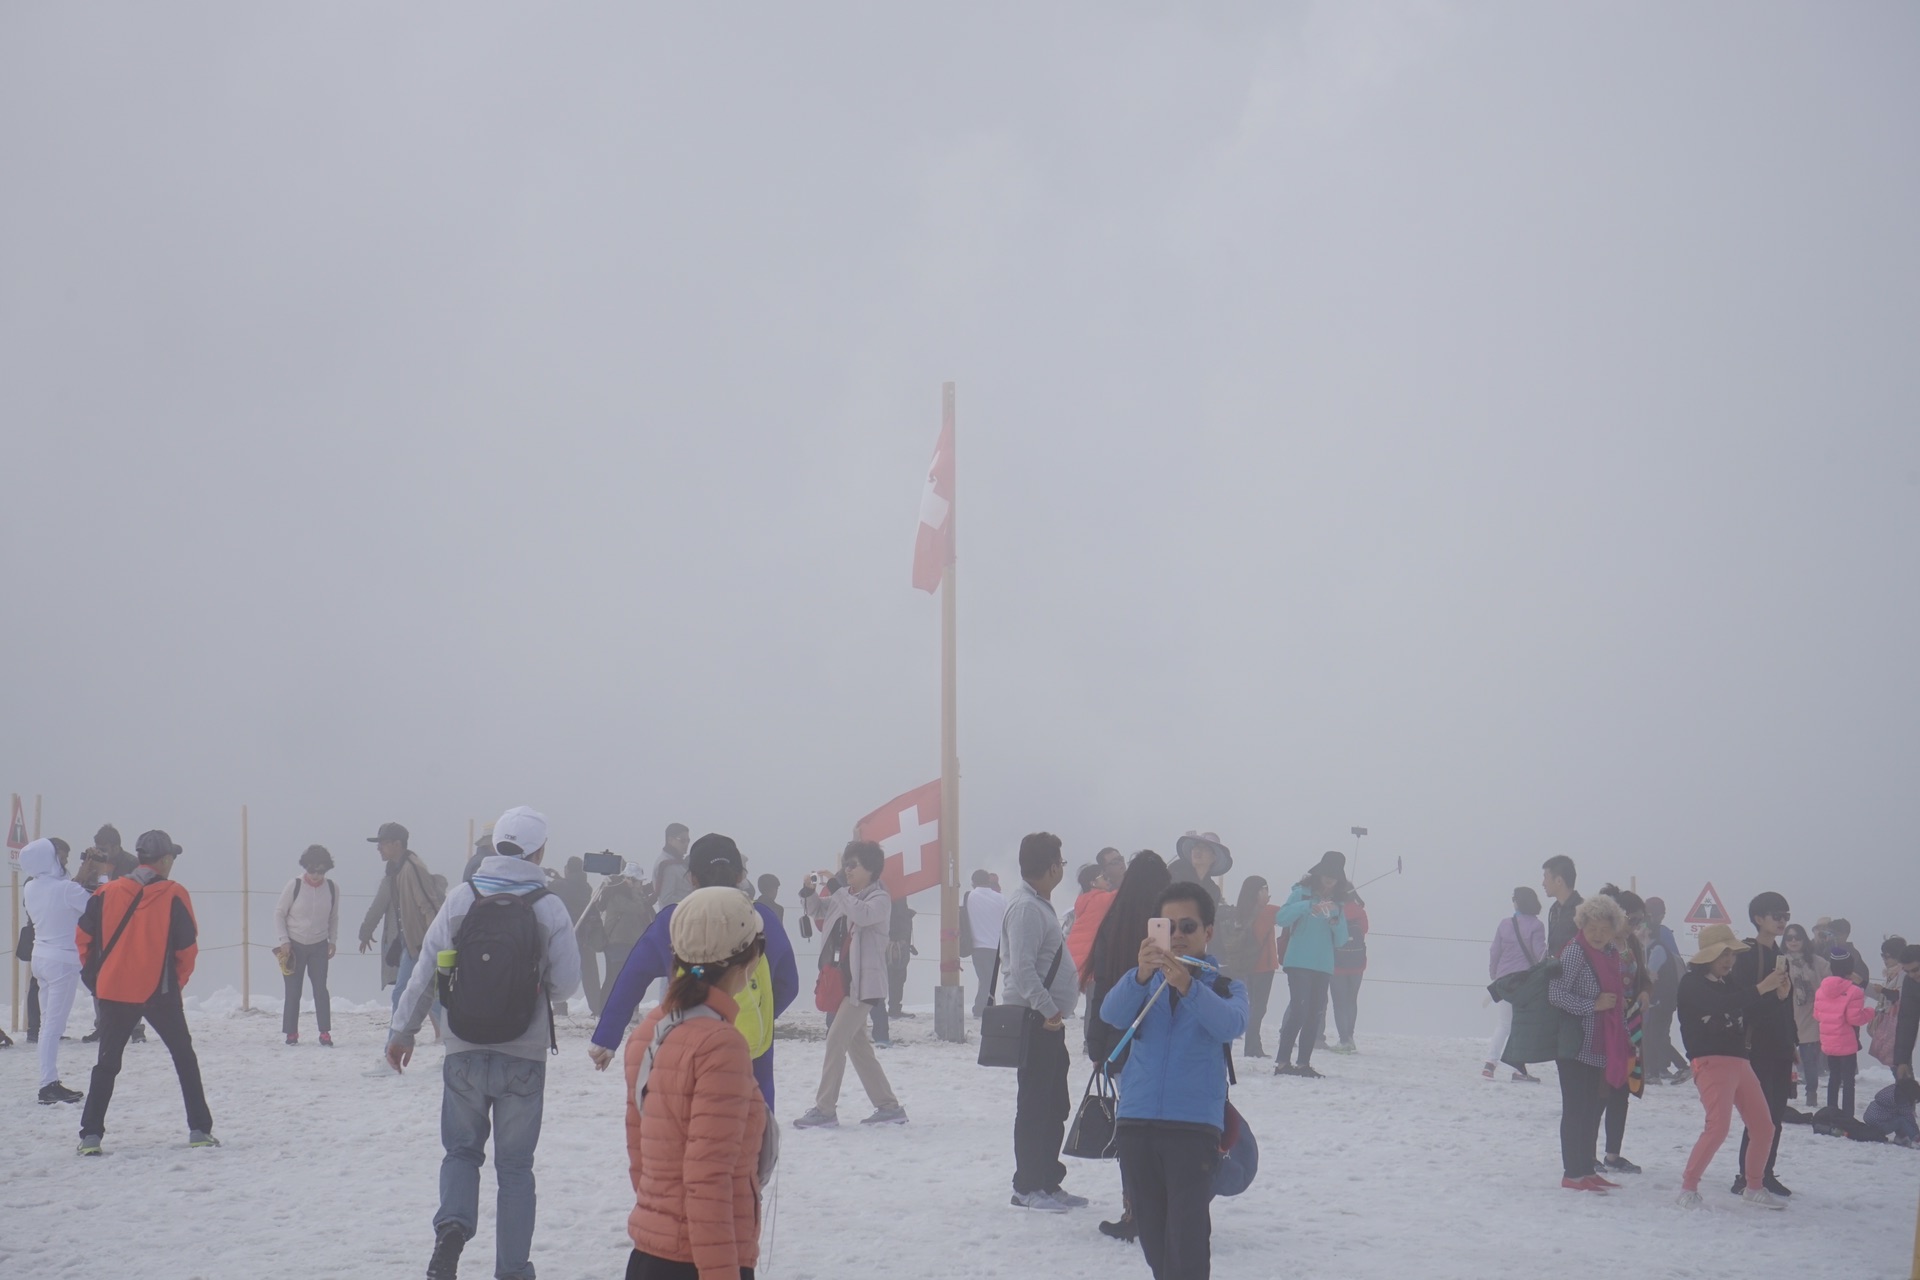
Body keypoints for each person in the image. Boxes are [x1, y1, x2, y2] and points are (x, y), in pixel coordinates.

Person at [387, 806, 582, 1280]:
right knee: (515, 1168)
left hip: (464, 1046)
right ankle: (513, 1270)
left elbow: (427, 968)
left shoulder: (461, 898)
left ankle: (452, 1229)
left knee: (460, 1152)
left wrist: (402, 1031)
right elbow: (567, 985)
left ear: (495, 846)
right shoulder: (549, 906)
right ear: (540, 851)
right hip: (524, 1054)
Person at [1099, 881, 1248, 1280]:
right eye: (1167, 926)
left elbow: (1230, 1025)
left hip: (1192, 1128)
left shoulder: (1224, 987)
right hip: (1137, 1122)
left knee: (1188, 1237)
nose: (1178, 935)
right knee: (1153, 1236)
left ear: (1208, 932)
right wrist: (1142, 973)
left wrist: (1187, 986)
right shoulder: (1142, 980)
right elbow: (1111, 1014)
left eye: (1187, 926)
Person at [622, 886, 769, 1280]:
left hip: (652, 1252)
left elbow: (639, 1155)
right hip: (703, 1259)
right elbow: (708, 1178)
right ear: (748, 961)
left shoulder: (651, 1030)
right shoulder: (720, 1045)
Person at [589, 834, 799, 1108]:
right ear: (741, 876)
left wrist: (607, 1037)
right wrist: (760, 1012)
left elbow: (632, 976)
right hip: (751, 1056)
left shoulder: (673, 920)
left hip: (687, 1048)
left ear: (692, 878)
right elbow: (789, 984)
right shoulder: (762, 918)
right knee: (751, 1132)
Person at [74, 830, 215, 1155]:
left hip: (113, 991)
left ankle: (90, 1137)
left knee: (106, 1064)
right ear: (165, 859)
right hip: (158, 992)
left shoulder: (107, 892)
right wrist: (174, 983)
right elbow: (187, 948)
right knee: (184, 1058)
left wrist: (95, 979)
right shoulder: (174, 893)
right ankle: (199, 1131)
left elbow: (82, 936)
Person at [1082, 850, 1172, 1242]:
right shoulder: (1167, 925)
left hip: (1120, 1037)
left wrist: (1097, 1044)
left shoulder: (1114, 920)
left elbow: (1101, 984)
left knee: (1133, 1128)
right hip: (1163, 1038)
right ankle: (1169, 1207)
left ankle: (1134, 1207)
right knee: (1168, 1127)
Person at [1674, 923, 1788, 1210]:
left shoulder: (1730, 982)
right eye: (1723, 954)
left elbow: (1750, 1008)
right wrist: (1762, 987)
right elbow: (1722, 1004)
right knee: (1718, 1127)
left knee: (1764, 1126)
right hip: (1710, 1061)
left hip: (1739, 1061)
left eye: (1732, 955)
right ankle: (1688, 1187)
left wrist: (1778, 995)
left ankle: (1754, 1185)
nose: (1729, 960)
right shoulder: (1691, 983)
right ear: (1706, 956)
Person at [792, 841, 906, 1128]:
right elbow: (819, 910)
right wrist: (808, 892)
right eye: (846, 864)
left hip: (864, 985)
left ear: (871, 869)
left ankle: (825, 1109)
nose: (847, 869)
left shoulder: (878, 899)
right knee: (858, 1047)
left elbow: (861, 915)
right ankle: (888, 1106)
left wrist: (835, 885)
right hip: (846, 984)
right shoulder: (847, 896)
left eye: (853, 865)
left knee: (835, 1039)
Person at [1000, 832, 1083, 1212]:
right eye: (1061, 863)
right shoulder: (1026, 908)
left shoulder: (1039, 904)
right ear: (1052, 866)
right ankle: (1028, 1186)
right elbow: (1021, 968)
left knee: (1053, 1104)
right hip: (1036, 1021)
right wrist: (1048, 1009)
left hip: (1047, 1020)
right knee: (1035, 1104)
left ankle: (1049, 1181)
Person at [1546, 894, 1631, 1193]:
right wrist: (1591, 1005)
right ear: (1582, 924)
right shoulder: (1575, 953)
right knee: (1576, 1108)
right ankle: (1573, 1173)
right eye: (1592, 927)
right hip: (1575, 1044)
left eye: (1604, 928)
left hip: (1601, 1044)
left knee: (1593, 1107)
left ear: (1614, 929)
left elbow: (1617, 1000)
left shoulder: (1610, 954)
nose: (1598, 934)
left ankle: (1586, 1169)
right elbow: (1555, 995)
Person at [1729, 891, 1796, 1196]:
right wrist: (1770, 991)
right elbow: (1741, 1003)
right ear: (1758, 919)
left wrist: (1792, 1040)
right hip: (1756, 1046)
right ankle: (1746, 1175)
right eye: (1776, 915)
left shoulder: (1781, 957)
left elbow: (1787, 1004)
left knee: (1776, 1113)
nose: (1782, 921)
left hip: (1780, 1045)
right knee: (1759, 1115)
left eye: (1786, 916)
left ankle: (1765, 1172)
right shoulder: (1745, 954)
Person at [21, 838, 90, 1104]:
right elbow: (94, 905)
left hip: (40, 958)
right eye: (59, 856)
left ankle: (48, 1080)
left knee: (47, 1024)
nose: (64, 861)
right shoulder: (65, 889)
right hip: (62, 962)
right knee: (53, 1025)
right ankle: (47, 1085)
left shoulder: (31, 887)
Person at [357, 821, 445, 1024]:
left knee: (420, 991)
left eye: (383, 843)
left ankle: (444, 1032)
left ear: (398, 844)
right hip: (410, 942)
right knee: (411, 991)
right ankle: (398, 1039)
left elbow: (429, 905)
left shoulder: (412, 868)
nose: (379, 848)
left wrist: (434, 942)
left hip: (420, 942)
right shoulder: (395, 870)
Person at [1271, 852, 1349, 1078]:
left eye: (1334, 876)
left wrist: (1335, 921)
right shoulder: (1300, 893)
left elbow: (1342, 940)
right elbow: (1281, 918)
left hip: (1323, 964)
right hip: (1298, 962)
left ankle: (1303, 1063)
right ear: (1318, 873)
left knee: (1315, 1013)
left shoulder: (1338, 905)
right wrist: (1307, 906)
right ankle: (1283, 1062)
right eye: (1326, 874)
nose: (1329, 880)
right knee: (1299, 1009)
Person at [1593, 886, 1652, 1175]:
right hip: (1605, 1026)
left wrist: (1644, 993)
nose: (1637, 926)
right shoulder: (1599, 945)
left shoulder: (1634, 946)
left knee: (1622, 1090)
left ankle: (1613, 1154)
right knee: (1600, 1090)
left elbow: (1644, 979)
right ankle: (1588, 1152)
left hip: (1630, 1024)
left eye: (1642, 920)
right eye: (1634, 918)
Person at [273, 845, 340, 1047]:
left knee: (321, 989)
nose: (317, 875)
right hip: (294, 945)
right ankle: (291, 1033)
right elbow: (279, 913)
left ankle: (325, 1032)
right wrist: (284, 940)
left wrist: (333, 941)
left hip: (319, 945)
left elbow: (334, 917)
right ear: (305, 867)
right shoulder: (294, 885)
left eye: (321, 870)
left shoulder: (332, 888)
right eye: (313, 870)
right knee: (293, 991)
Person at [1485, 886, 1546, 1082]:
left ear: (1517, 902)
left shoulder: (1504, 924)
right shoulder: (1536, 926)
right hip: (1525, 982)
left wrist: (1494, 973)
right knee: (1522, 1024)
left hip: (1504, 980)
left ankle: (1490, 1064)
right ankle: (1519, 1070)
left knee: (1504, 1023)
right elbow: (1540, 954)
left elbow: (1495, 951)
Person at [577, 867, 657, 1017]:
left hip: (626, 943)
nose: (640, 885)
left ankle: (610, 1011)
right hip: (618, 944)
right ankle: (604, 1011)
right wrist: (637, 892)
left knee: (618, 978)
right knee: (614, 978)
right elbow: (638, 908)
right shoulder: (618, 897)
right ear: (629, 881)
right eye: (638, 882)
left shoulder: (625, 895)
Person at [1814, 946, 1875, 1118]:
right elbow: (1855, 1019)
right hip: (1847, 1044)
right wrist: (1870, 1012)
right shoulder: (1854, 991)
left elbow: (1817, 1015)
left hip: (1828, 1043)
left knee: (1833, 1077)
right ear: (1850, 969)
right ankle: (1848, 1116)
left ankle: (1831, 1112)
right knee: (1848, 1081)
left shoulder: (1821, 990)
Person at [1221, 877, 1278, 1058]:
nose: (1268, 894)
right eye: (1265, 890)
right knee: (1259, 1008)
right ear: (1258, 892)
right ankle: (1253, 1046)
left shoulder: (1240, 913)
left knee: (1250, 1004)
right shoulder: (1266, 912)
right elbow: (1288, 914)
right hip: (1263, 965)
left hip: (1245, 965)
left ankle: (1251, 1044)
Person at [1781, 923, 1827, 1107]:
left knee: (1810, 1061)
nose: (1793, 941)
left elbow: (1830, 982)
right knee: (1783, 1058)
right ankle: (1784, 1093)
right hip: (1786, 1015)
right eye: (1789, 938)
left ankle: (1811, 1093)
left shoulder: (1816, 962)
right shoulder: (1780, 960)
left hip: (1811, 1015)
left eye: (1797, 937)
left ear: (1804, 940)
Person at [1642, 896, 1682, 1081]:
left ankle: (1660, 1068)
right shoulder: (1663, 934)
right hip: (1660, 994)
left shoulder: (1661, 937)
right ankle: (1658, 1066)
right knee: (1655, 1031)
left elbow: (1669, 961)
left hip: (1660, 994)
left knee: (1655, 1032)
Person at [1325, 889, 1369, 1054]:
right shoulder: (1360, 911)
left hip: (1337, 964)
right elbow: (1364, 930)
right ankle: (1350, 1037)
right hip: (1358, 963)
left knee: (1339, 1002)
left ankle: (1343, 1039)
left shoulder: (1333, 910)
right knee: (1352, 1000)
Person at [962, 868, 1008, 1019]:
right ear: (989, 881)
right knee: (988, 979)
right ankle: (985, 1007)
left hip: (978, 946)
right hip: (997, 946)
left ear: (973, 883)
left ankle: (981, 1008)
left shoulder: (969, 897)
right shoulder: (1001, 898)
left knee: (985, 979)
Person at [1167, 831, 1229, 906]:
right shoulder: (1175, 872)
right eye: (1195, 847)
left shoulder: (1213, 891)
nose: (1197, 851)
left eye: (1204, 848)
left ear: (1213, 857)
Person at [882, 895, 916, 1023]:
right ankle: (893, 1008)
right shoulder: (897, 896)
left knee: (892, 976)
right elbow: (898, 918)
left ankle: (887, 1008)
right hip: (896, 942)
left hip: (892, 940)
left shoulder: (884, 892)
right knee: (896, 975)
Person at [1541, 855, 1582, 956]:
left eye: (1545, 877)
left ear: (1559, 881)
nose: (1543, 883)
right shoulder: (1554, 910)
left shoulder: (1582, 910)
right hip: (1555, 969)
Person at [1862, 1078, 1920, 1146]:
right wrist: (1917, 1133)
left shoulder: (1894, 1089)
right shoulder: (1901, 1098)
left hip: (1871, 1119)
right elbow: (1908, 1118)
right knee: (1902, 1120)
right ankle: (1916, 1140)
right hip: (1879, 1125)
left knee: (1898, 1116)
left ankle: (1901, 1137)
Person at [650, 823, 694, 909]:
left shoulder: (678, 863)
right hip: (674, 918)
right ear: (670, 840)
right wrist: (693, 899)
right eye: (682, 840)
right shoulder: (667, 865)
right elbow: (667, 899)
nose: (686, 844)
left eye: (688, 841)